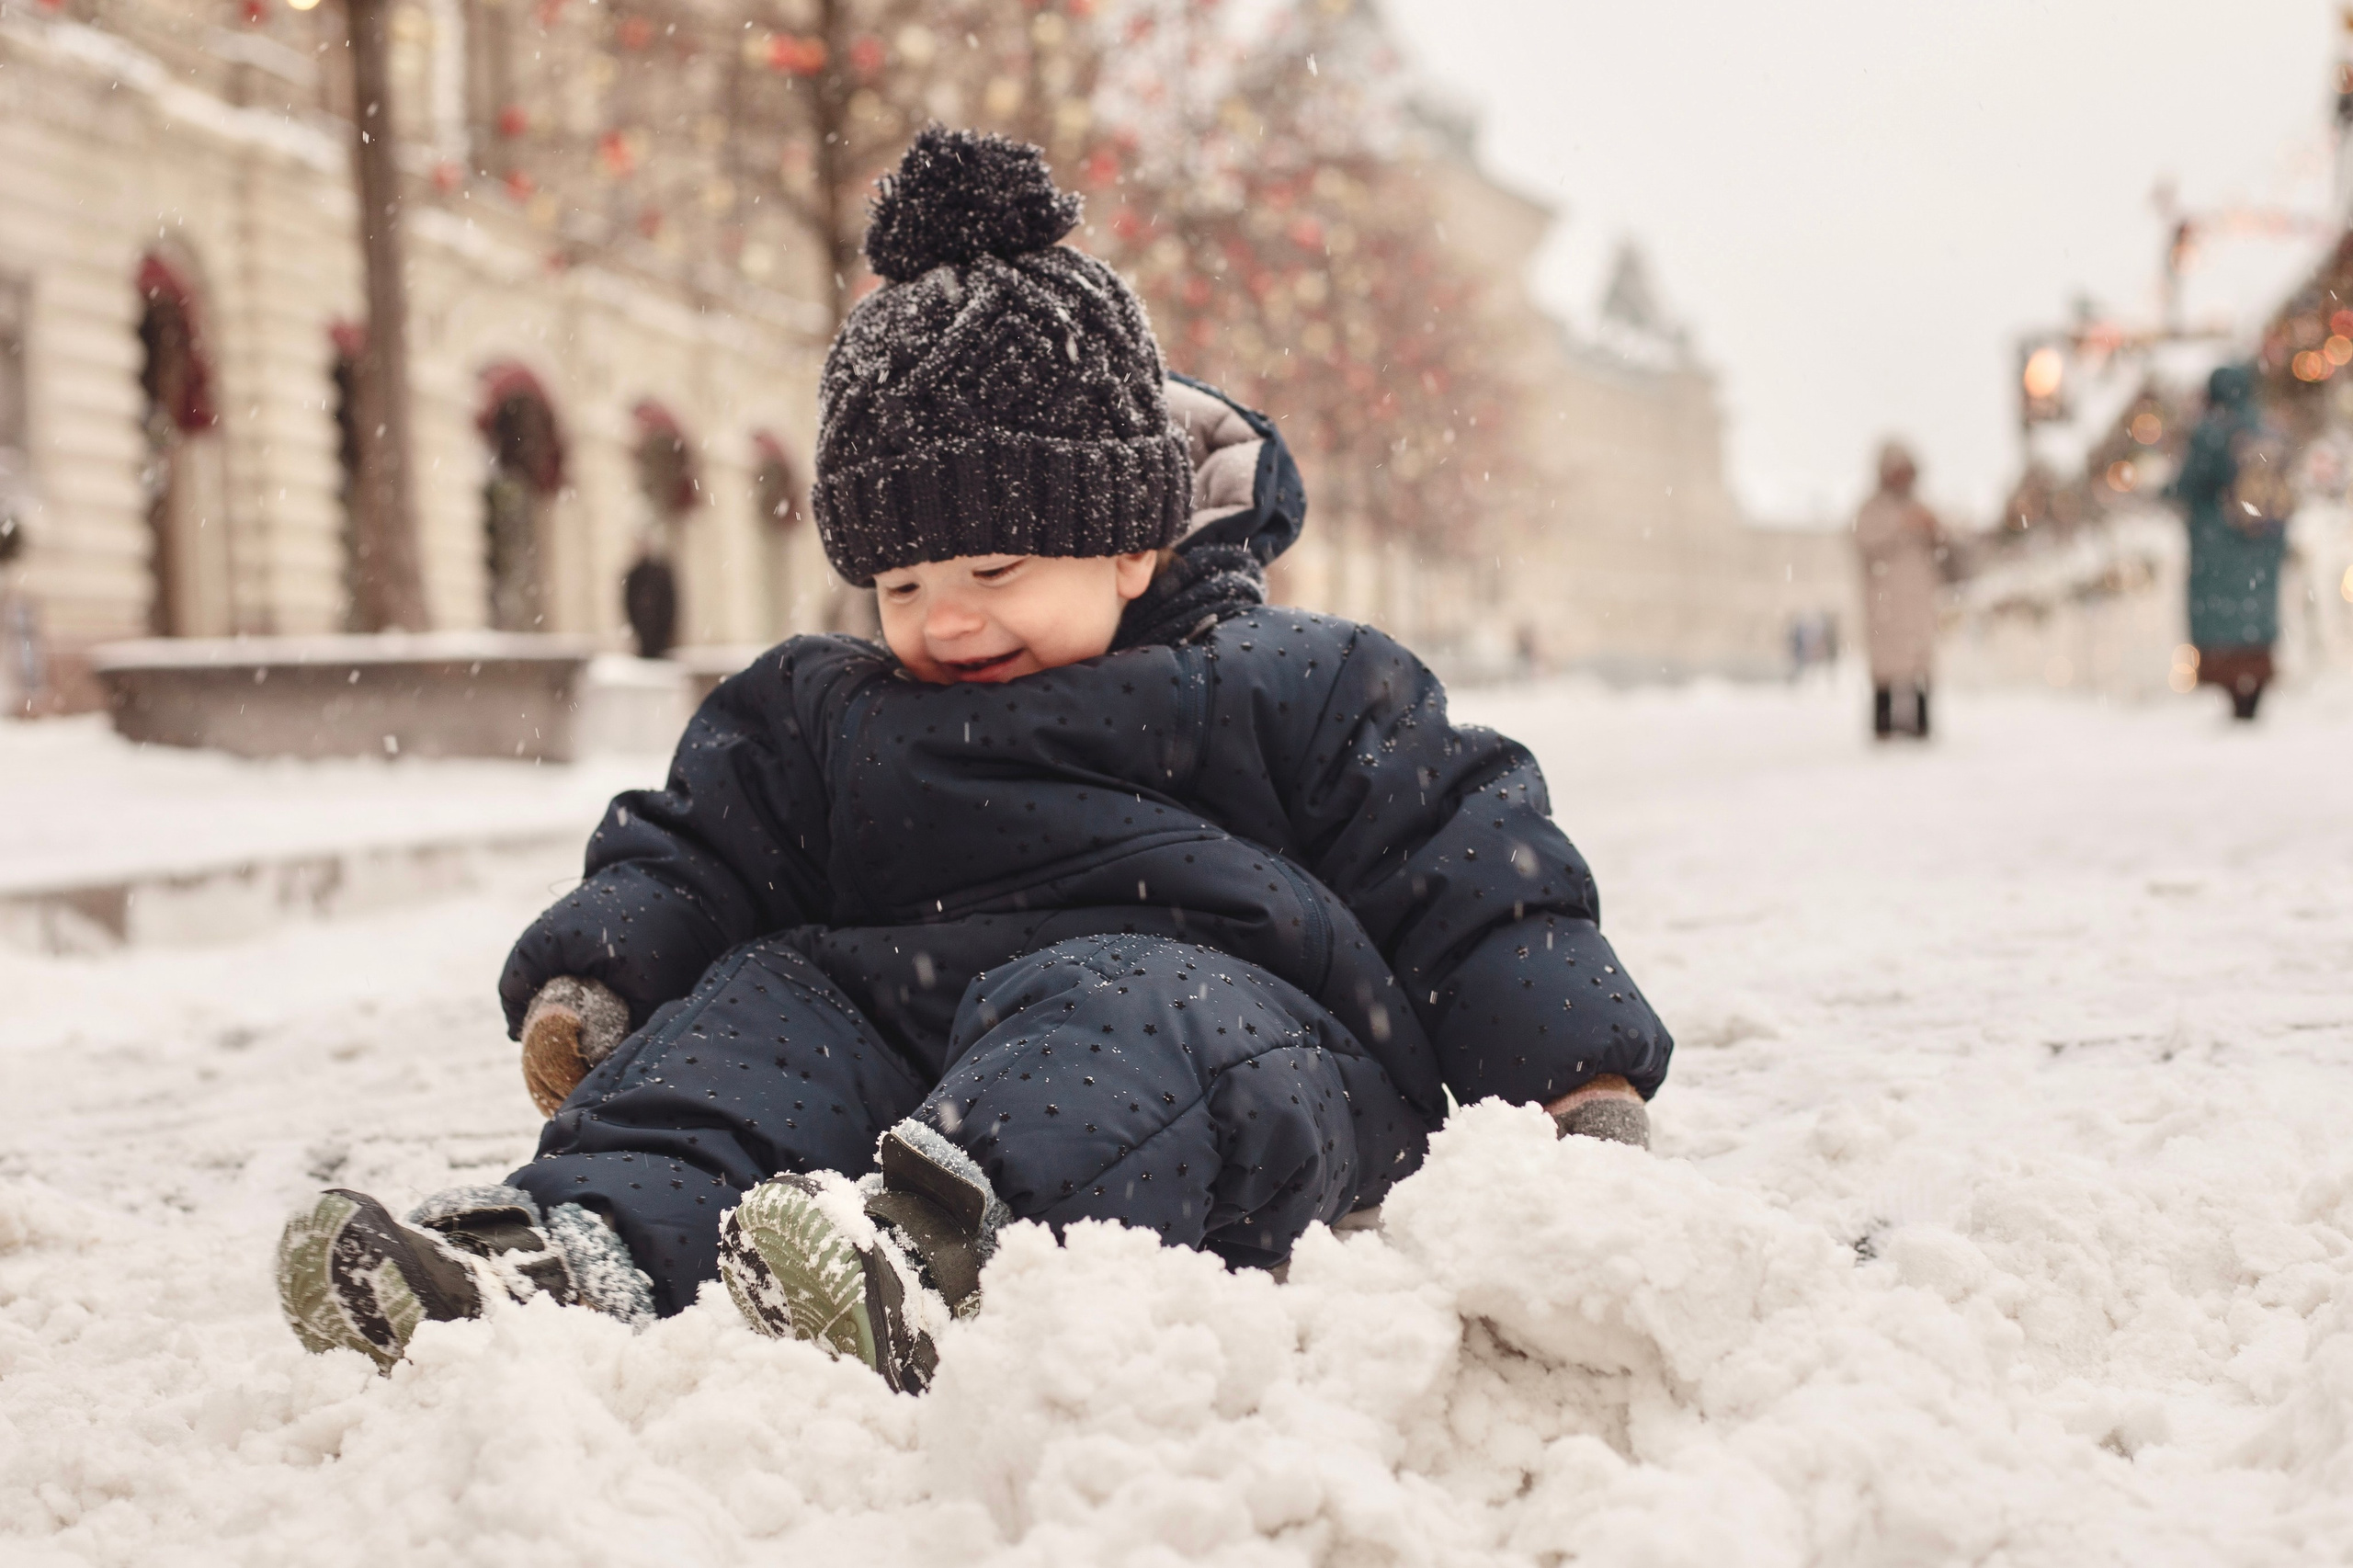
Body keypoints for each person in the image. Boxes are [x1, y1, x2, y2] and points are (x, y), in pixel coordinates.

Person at [275, 130, 1672, 1391]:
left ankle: (944, 1243)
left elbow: (1470, 863)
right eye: (899, 584)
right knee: (759, 1015)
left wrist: (1572, 1071)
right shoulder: (828, 710)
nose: (944, 616)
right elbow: (694, 840)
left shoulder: (1289, 684)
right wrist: (607, 970)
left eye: (995, 566)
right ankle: (575, 1245)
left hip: (1244, 1016)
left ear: (1135, 541)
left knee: (1134, 1020)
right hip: (899, 1020)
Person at [2169, 363, 2291, 722]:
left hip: (2218, 547)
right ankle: (2255, 685)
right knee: (2256, 615)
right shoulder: (2267, 428)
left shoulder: (2212, 431)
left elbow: (2188, 483)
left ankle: (2232, 690)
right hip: (2261, 547)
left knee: (2222, 620)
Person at [1853, 441, 1944, 740]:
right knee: (1886, 669)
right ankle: (1883, 724)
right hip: (1885, 604)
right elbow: (1862, 540)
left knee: (1918, 664)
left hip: (1917, 603)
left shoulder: (1922, 508)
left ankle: (1921, 723)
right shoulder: (1871, 509)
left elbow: (1947, 547)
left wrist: (1934, 530)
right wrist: (1900, 525)